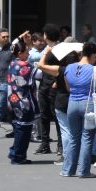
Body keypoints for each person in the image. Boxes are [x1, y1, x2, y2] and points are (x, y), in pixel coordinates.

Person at [62, 43, 96, 177]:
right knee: (87, 137)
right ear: (93, 55)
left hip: (72, 103)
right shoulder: (95, 69)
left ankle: (67, 170)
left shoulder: (69, 67)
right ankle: (84, 171)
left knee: (74, 137)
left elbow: (68, 87)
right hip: (88, 104)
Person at [6, 37, 39, 165]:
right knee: (24, 130)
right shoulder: (26, 66)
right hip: (23, 101)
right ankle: (18, 156)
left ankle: (16, 152)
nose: (29, 54)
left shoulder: (12, 63)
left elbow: (12, 47)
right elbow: (40, 74)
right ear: (20, 53)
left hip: (12, 100)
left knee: (19, 128)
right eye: (26, 51)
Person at [36, 24, 61, 156]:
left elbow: (62, 67)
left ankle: (60, 145)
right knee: (43, 115)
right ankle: (45, 143)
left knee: (57, 116)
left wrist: (57, 81)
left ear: (46, 34)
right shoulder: (46, 48)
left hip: (54, 85)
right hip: (44, 84)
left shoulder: (58, 49)